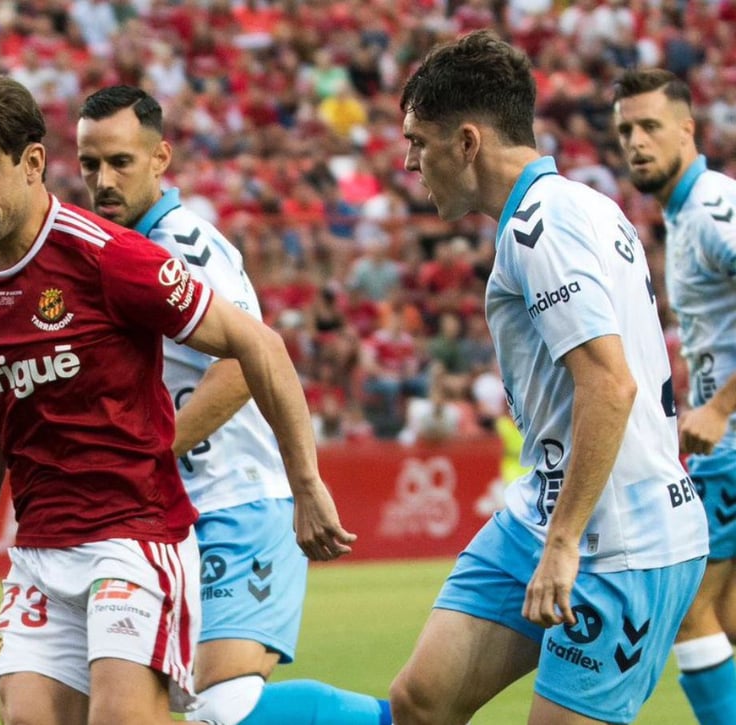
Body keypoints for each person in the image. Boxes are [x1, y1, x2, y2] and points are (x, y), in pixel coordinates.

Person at [0, 69, 354, 725]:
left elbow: (257, 344)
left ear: (33, 163)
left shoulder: (112, 256)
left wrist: (307, 480)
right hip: (40, 551)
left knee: (201, 712)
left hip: (134, 538)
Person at [387, 31, 708, 724]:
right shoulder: (576, 205)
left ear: (467, 142)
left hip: (622, 537)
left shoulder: (544, 228)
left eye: (418, 140)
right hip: (543, 506)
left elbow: (609, 383)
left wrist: (565, 544)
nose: (409, 161)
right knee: (420, 701)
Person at [75, 85, 389, 725]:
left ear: (161, 158)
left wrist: (147, 453)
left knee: (225, 712)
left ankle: (410, 717)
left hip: (235, 502)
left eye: (120, 163)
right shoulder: (111, 253)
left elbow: (247, 361)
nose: (102, 181)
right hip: (166, 517)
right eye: (89, 165)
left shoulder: (184, 245)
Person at [613, 68, 736, 725]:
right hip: (725, 444)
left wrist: (719, 407)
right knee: (726, 617)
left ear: (688, 130)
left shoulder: (714, 206)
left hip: (733, 442)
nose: (636, 141)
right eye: (626, 130)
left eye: (651, 126)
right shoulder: (685, 214)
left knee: (689, 610)